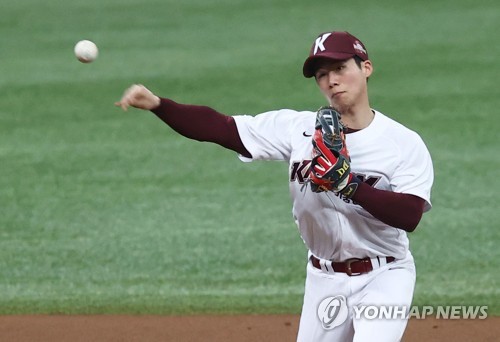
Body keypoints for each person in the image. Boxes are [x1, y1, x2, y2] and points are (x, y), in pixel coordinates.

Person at [115, 31, 434, 342]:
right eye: (322, 74)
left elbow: (410, 215)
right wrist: (159, 104)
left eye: (340, 68)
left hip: (385, 274)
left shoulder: (402, 143)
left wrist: (349, 185)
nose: (331, 80)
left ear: (365, 67)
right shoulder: (297, 129)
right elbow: (222, 129)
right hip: (324, 278)